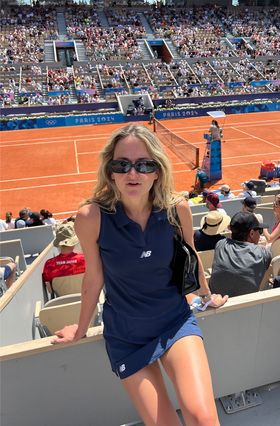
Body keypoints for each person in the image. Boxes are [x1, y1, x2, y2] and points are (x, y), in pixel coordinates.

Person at [51, 124, 228, 426]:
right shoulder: (90, 217)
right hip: (126, 335)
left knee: (202, 417)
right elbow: (93, 278)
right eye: (122, 165)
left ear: (157, 170)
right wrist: (81, 327)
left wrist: (206, 295)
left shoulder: (177, 209)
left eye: (144, 165)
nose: (133, 174)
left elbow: (190, 256)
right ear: (110, 171)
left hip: (174, 321)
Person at [209, 212, 271, 297]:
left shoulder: (220, 244)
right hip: (247, 306)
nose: (260, 235)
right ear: (252, 233)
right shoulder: (263, 253)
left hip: (217, 305)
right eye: (260, 231)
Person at [42, 223, 85, 294]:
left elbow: (50, 290)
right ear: (73, 243)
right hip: (86, 299)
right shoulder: (85, 260)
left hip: (62, 302)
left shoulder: (49, 264)